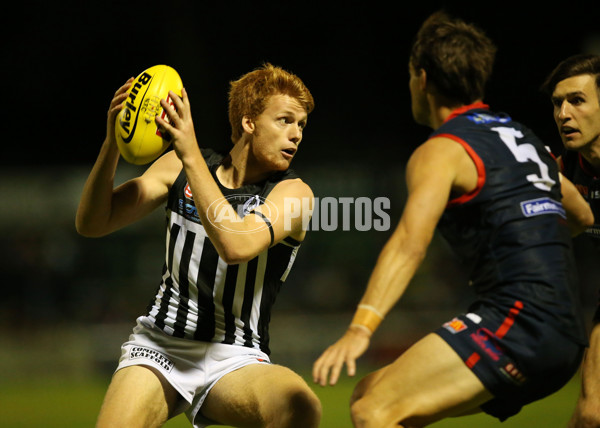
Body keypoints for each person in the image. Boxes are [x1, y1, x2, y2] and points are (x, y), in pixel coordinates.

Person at [312, 11, 594, 427]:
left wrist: (360, 329)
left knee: (372, 412)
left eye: (411, 75)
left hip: (519, 324)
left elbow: (410, 243)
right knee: (372, 392)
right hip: (565, 333)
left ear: (422, 79)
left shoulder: (442, 150)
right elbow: (581, 213)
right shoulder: (522, 138)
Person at [76, 63, 321, 428]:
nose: (296, 134)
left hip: (236, 356)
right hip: (159, 345)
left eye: (301, 124)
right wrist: (113, 144)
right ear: (249, 122)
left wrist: (190, 153)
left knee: (300, 407)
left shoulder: (294, 194)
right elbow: (92, 222)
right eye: (285, 120)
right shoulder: (178, 164)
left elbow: (236, 245)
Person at [542, 54, 600, 428]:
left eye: (576, 100)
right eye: (557, 103)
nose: (564, 113)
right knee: (591, 414)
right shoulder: (563, 172)